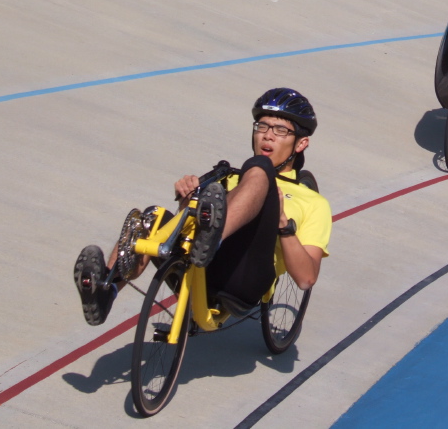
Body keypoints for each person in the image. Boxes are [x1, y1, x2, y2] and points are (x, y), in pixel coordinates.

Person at [74, 88, 332, 325]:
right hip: (197, 263)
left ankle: (214, 238)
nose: (267, 135)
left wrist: (284, 226)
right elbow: (184, 224)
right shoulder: (229, 179)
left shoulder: (312, 203)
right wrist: (188, 197)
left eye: (280, 130)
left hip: (243, 279)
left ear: (300, 143)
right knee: (152, 218)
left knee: (259, 168)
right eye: (262, 126)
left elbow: (306, 278)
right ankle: (105, 288)